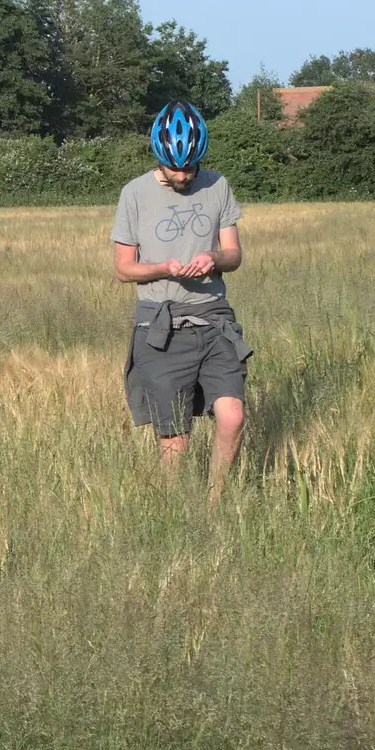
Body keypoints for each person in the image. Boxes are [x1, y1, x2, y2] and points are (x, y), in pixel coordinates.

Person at [112, 100, 251, 493]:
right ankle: (172, 511)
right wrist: (163, 268)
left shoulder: (218, 185)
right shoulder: (134, 194)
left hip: (214, 319)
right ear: (158, 157)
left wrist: (214, 259)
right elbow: (123, 268)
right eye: (174, 167)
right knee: (175, 439)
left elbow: (234, 255)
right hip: (161, 326)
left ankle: (215, 502)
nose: (182, 174)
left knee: (233, 417)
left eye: (189, 166)